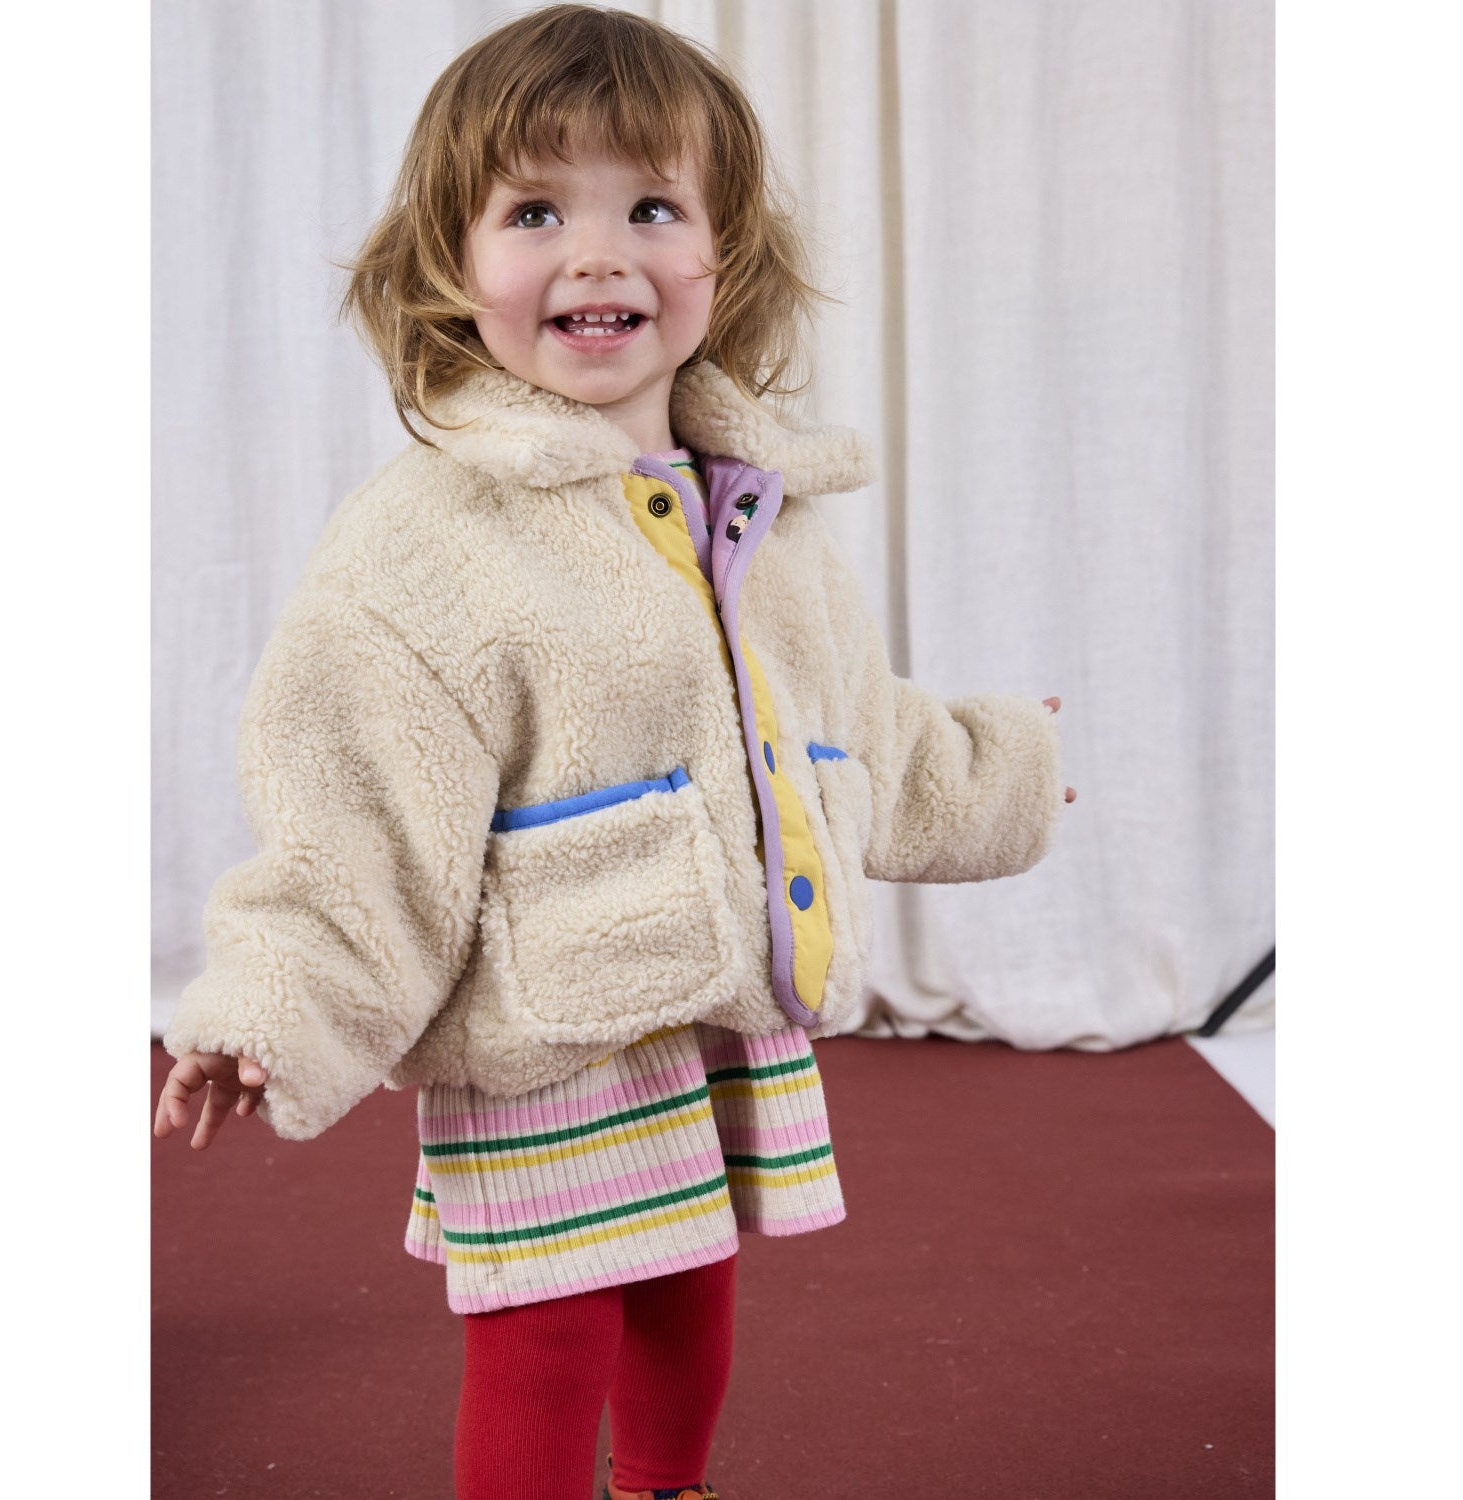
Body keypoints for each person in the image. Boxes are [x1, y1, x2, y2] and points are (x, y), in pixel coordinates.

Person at [152, 7, 1077, 1498]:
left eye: (651, 208)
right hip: (551, 1019)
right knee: (546, 1327)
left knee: (692, 1281)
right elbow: (355, 820)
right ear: (452, 262)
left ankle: (664, 1487)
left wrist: (997, 773)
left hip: (718, 998)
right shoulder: (422, 546)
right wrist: (271, 1002)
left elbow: (847, 730)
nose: (598, 255)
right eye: (536, 213)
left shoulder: (758, 508)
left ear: (724, 253)